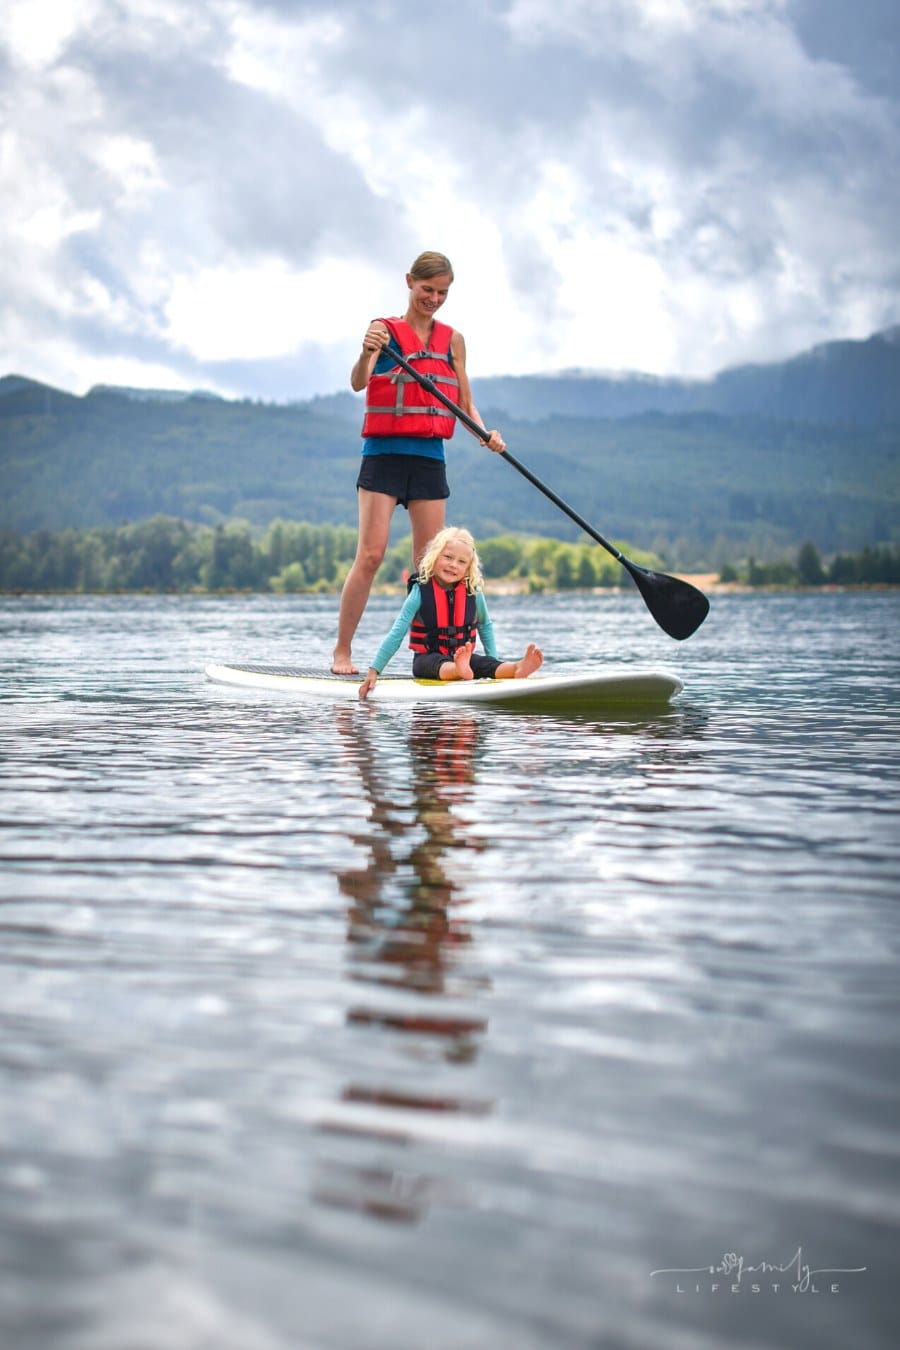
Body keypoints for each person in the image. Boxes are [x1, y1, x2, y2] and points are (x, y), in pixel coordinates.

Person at [331, 251, 507, 674]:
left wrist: (486, 435)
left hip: (429, 461)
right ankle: (342, 652)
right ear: (409, 282)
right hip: (385, 457)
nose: (434, 298)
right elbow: (359, 382)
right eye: (427, 289)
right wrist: (365, 352)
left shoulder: (453, 340)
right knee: (371, 555)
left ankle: (432, 659)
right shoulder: (384, 330)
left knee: (431, 569)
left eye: (442, 292)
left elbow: (463, 405)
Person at [358, 527, 543, 700]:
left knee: (483, 664)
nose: (453, 565)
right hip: (427, 659)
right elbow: (397, 632)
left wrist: (492, 660)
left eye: (461, 561)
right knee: (443, 665)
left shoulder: (473, 591)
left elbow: (485, 626)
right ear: (435, 556)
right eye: (448, 557)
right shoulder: (420, 591)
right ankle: (458, 670)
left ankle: (517, 668)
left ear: (469, 567)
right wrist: (375, 670)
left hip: (465, 657)